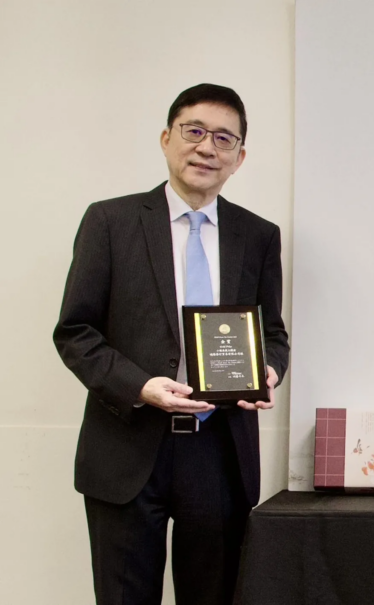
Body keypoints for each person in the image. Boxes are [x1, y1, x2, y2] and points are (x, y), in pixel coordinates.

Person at [54, 83, 289, 604]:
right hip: (128, 445)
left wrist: (268, 368)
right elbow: (75, 332)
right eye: (194, 131)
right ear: (166, 139)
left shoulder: (257, 235)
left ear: (239, 158)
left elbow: (272, 333)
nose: (207, 147)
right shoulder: (110, 222)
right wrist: (139, 386)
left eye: (224, 138)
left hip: (218, 451)